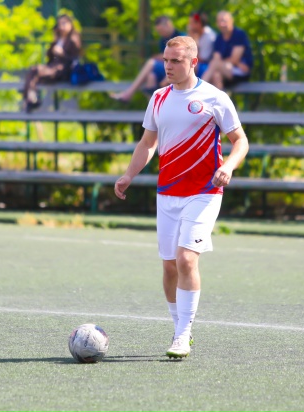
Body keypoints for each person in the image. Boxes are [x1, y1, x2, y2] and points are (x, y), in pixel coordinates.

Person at [114, 36, 249, 359]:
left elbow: (241, 141)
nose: (168, 66)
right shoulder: (158, 98)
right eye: (166, 60)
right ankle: (178, 328)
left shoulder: (215, 98)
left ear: (193, 62)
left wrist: (228, 166)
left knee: (187, 259)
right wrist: (129, 174)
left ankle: (183, 333)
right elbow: (148, 143)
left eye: (175, 60)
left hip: (204, 192)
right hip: (168, 193)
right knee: (170, 267)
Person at [110, 16, 184, 102]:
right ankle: (153, 108)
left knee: (151, 63)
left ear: (168, 24)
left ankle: (129, 93)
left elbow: (178, 57)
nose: (160, 33)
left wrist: (161, 58)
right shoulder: (162, 40)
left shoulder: (182, 37)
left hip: (177, 70)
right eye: (159, 32)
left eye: (161, 30)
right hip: (165, 69)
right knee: (151, 76)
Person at [22, 14, 81, 112]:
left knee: (36, 73)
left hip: (63, 70)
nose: (61, 27)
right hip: (52, 68)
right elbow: (50, 57)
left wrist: (62, 53)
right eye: (59, 24)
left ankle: (31, 99)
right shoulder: (58, 39)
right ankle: (31, 98)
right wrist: (54, 42)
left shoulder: (73, 39)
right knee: (33, 71)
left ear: (70, 24)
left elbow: (74, 59)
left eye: (64, 23)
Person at [202, 11, 253, 90]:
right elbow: (217, 58)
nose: (222, 24)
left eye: (224, 21)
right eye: (219, 21)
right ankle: (220, 98)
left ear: (231, 21)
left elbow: (234, 60)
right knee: (216, 75)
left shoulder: (239, 34)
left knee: (214, 64)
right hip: (226, 71)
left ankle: (200, 87)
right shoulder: (219, 38)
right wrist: (221, 62)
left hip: (241, 71)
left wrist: (220, 62)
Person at [186, 12, 216, 78]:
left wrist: (194, 44)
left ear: (199, 24)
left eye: (191, 23)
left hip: (206, 65)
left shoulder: (209, 36)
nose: (189, 26)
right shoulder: (193, 33)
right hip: (197, 63)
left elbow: (202, 59)